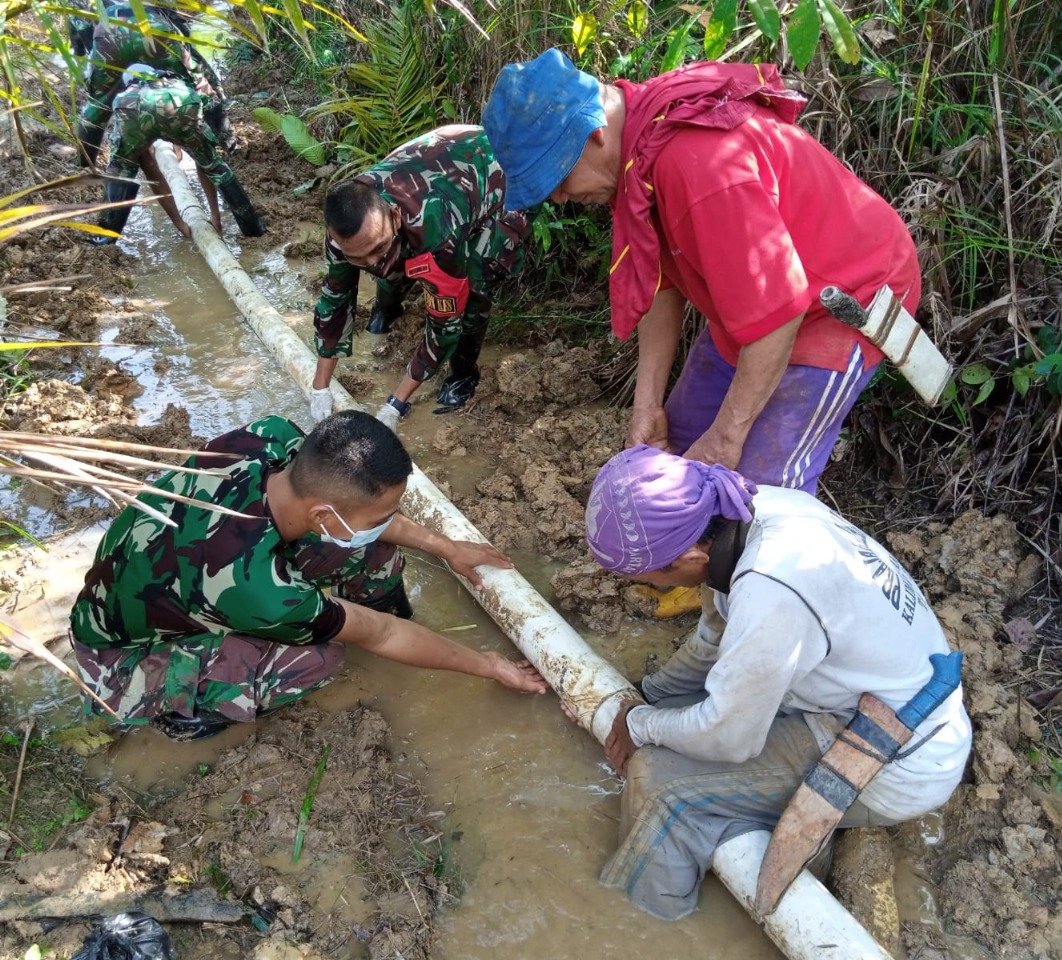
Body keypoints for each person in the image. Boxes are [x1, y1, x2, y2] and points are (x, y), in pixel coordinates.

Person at [483, 50, 922, 495]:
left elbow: (782, 312)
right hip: (757, 303)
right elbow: (661, 280)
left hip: (841, 295)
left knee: (755, 498)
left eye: (556, 180)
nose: (558, 198)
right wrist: (647, 404)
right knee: (673, 448)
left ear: (593, 134)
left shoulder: (699, 168)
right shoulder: (635, 151)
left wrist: (727, 439)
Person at [573, 445, 970, 919]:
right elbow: (713, 638)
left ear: (693, 555)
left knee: (660, 785)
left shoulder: (771, 590)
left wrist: (639, 725)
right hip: (868, 696)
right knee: (684, 725)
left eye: (648, 576)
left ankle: (642, 924)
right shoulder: (753, 510)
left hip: (898, 755)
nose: (651, 586)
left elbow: (730, 737)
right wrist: (648, 696)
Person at [70, 411, 547, 740]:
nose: (390, 518)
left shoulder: (271, 438)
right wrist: (488, 664)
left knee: (375, 547)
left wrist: (446, 547)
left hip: (171, 572)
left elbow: (363, 519)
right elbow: (379, 634)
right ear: (322, 514)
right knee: (317, 660)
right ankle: (184, 710)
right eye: (382, 511)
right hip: (116, 656)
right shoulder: (264, 594)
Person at [309, 125, 529, 432]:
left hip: (494, 174)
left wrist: (395, 404)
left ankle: (463, 375)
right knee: (392, 263)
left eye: (378, 247)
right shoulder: (345, 232)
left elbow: (444, 324)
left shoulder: (439, 235)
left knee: (476, 289)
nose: (371, 264)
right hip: (433, 162)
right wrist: (320, 386)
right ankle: (386, 311)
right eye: (357, 257)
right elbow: (335, 300)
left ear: (395, 217)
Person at [90, 64, 264, 244]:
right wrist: (215, 216)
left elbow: (151, 170)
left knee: (120, 172)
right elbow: (200, 155)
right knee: (211, 164)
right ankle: (253, 229)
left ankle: (105, 237)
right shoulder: (175, 81)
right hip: (180, 102)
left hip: (131, 109)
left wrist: (180, 223)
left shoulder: (128, 93)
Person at [73, 4, 236, 169]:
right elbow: (184, 33)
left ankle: (84, 167)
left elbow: (80, 39)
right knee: (197, 85)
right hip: (152, 26)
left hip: (109, 32)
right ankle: (229, 144)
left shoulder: (82, 6)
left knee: (97, 106)